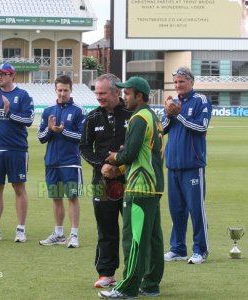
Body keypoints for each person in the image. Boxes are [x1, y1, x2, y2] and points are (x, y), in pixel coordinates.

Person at [99, 77, 165, 299]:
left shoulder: (138, 118)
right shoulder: (153, 117)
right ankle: (151, 284)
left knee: (134, 239)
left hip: (140, 186)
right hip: (154, 186)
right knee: (153, 239)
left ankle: (127, 288)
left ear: (139, 96)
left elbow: (130, 154)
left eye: (127, 93)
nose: (124, 97)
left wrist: (114, 157)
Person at [80, 74, 132, 288]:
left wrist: (119, 164)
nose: (98, 97)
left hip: (130, 181)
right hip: (102, 182)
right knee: (106, 228)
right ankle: (106, 273)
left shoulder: (132, 114)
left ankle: (135, 273)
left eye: (102, 93)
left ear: (115, 92)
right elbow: (84, 147)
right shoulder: (92, 117)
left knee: (132, 229)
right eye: (97, 93)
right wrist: (102, 163)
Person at [162, 67, 212, 264]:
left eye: (181, 81)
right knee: (176, 210)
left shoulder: (201, 100)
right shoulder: (173, 103)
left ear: (191, 82)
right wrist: (169, 114)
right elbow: (162, 129)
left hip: (192, 164)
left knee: (195, 209)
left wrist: (179, 115)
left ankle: (200, 250)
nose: (177, 85)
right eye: (175, 82)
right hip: (173, 165)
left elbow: (202, 127)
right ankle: (178, 248)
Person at [0, 63, 34, 243]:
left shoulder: (23, 95)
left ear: (12, 75)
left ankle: (21, 229)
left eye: (4, 74)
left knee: (19, 187)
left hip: (16, 149)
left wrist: (9, 113)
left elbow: (28, 119)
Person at [38, 75, 85, 248]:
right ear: (55, 90)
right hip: (51, 162)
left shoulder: (79, 110)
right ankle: (58, 234)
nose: (62, 93)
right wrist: (51, 130)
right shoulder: (48, 110)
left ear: (71, 90)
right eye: (60, 90)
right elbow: (41, 137)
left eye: (65, 90)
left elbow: (82, 137)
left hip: (70, 162)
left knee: (72, 197)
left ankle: (74, 235)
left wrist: (61, 131)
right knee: (56, 198)